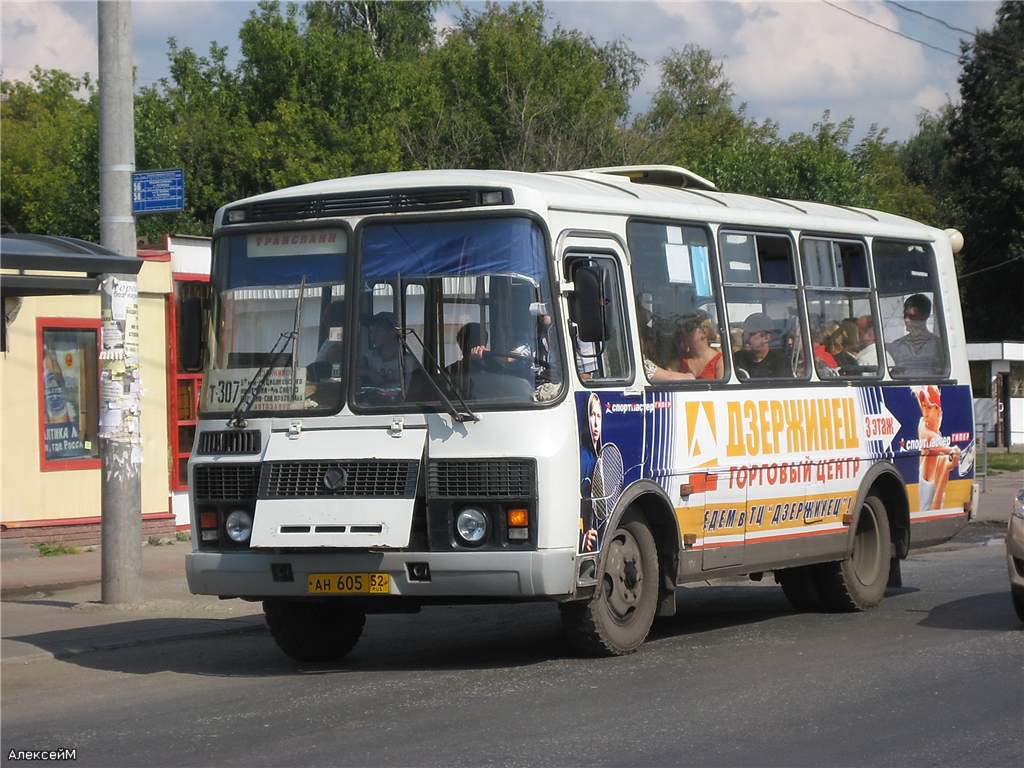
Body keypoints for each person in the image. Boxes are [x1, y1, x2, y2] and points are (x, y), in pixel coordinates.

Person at [916, 385, 961, 511]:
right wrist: (951, 450)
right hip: (927, 518)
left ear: (939, 411)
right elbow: (934, 441)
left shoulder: (942, 459)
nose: (925, 413)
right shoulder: (924, 428)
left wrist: (946, 468)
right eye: (924, 407)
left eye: (929, 407)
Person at [889, 293, 943, 376]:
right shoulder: (896, 346)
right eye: (905, 316)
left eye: (912, 316)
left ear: (924, 316)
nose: (906, 320)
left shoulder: (938, 346)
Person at [733, 312, 787, 378]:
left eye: (751, 334)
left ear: (767, 338)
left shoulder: (780, 362)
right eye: (744, 333)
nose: (745, 338)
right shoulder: (736, 359)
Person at [360, 312, 403, 388]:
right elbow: (352, 371)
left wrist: (400, 375)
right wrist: (369, 372)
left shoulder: (407, 360)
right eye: (371, 332)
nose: (372, 336)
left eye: (377, 331)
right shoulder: (369, 356)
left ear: (392, 332)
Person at [678, 311, 724, 380]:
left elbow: (722, 389)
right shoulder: (680, 361)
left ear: (704, 332)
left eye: (689, 328)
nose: (684, 332)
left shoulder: (720, 361)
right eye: (682, 328)